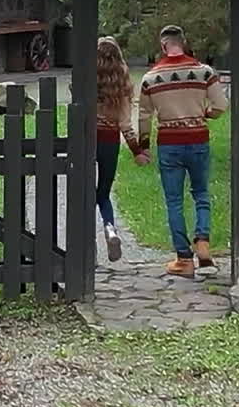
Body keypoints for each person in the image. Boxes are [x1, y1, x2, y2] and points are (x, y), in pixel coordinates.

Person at [138, 25, 228, 279]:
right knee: (201, 192)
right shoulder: (204, 73)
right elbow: (221, 105)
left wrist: (143, 146)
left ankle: (184, 259)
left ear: (163, 45)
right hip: (198, 138)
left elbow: (144, 116)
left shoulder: (151, 78)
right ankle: (203, 241)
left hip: (169, 144)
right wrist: (207, 114)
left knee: (174, 200)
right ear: (184, 42)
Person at [96, 36, 147, 263]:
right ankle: (110, 229)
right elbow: (126, 124)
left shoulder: (89, 78)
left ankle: (89, 250)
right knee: (103, 193)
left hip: (87, 139)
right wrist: (137, 150)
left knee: (84, 193)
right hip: (109, 140)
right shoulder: (122, 84)